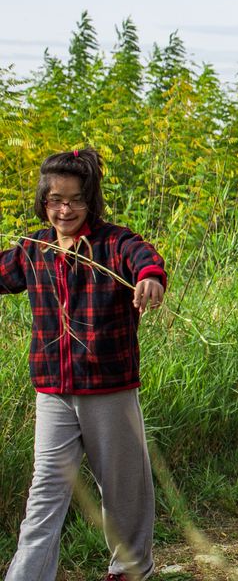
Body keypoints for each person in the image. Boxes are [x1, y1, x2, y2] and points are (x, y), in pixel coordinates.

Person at [1, 148, 166, 581]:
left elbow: (143, 257)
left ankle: (129, 571)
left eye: (75, 199)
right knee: (45, 493)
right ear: (44, 200)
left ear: (90, 201)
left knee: (122, 490)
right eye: (55, 199)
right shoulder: (33, 249)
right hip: (53, 391)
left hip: (108, 390)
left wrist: (149, 277)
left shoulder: (112, 242)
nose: (64, 209)